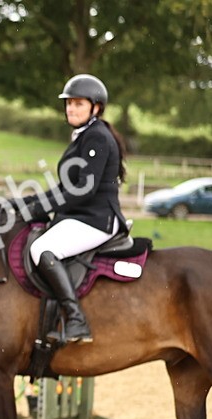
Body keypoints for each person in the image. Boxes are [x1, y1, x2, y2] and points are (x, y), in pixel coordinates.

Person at [22, 73, 128, 345]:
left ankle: (76, 319)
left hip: (97, 219)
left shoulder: (97, 138)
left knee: (42, 250)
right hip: (82, 216)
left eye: (79, 103)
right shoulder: (84, 136)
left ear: (96, 107)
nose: (71, 108)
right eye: (69, 103)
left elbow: (84, 189)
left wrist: (40, 206)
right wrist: (27, 204)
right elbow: (65, 187)